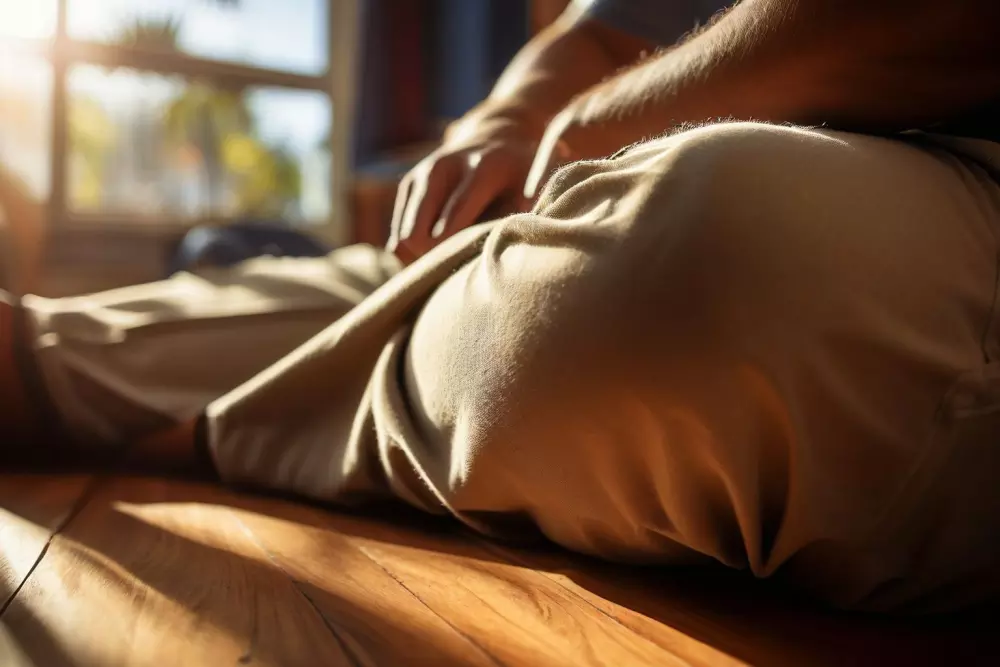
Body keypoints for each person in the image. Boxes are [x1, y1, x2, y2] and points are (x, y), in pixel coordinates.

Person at [4, 0, 1000, 612]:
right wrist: (501, 130)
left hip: (889, 208)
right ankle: (76, 364)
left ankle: (206, 427)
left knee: (730, 247)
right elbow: (590, 36)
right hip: (597, 200)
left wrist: (585, 134)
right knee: (420, 270)